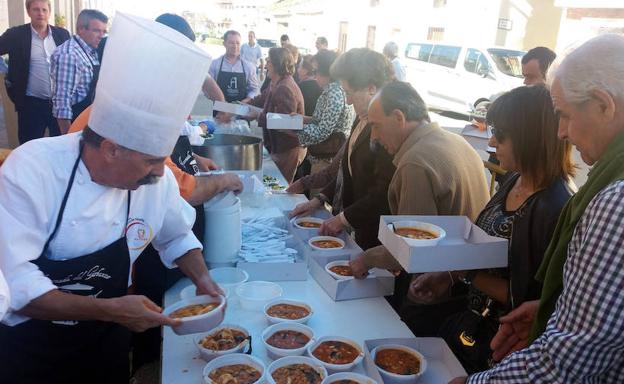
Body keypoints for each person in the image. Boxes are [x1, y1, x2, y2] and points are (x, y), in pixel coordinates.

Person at [0, 13, 221, 382]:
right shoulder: (33, 169)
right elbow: (15, 283)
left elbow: (176, 235)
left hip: (106, 345)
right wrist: (110, 309)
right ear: (111, 149)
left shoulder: (156, 180)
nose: (159, 172)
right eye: (151, 161)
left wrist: (203, 278)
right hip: (32, 348)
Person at [451, 33, 624, 384]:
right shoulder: (516, 181)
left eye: (564, 115)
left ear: (605, 104)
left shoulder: (614, 202)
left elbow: (569, 361)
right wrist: (552, 312)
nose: (560, 132)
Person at [409, 85, 575, 373]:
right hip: (470, 327)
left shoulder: (554, 207)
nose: (493, 142)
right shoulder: (514, 180)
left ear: (530, 139)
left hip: (502, 350)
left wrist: (462, 271)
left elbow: (529, 298)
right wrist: (448, 275)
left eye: (502, 135)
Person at [347, 81, 489, 334]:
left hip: (434, 288)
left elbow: (410, 248)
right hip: (463, 280)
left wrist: (366, 259)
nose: (375, 137)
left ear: (399, 117)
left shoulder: (415, 162)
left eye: (376, 126)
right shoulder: (456, 141)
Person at [290, 48, 396, 251]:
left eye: (349, 92)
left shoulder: (386, 128)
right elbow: (345, 170)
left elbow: (383, 191)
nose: (347, 100)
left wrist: (343, 219)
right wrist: (320, 198)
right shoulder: (362, 116)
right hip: (355, 228)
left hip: (373, 237)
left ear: (371, 88)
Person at [0, 0, 70, 144]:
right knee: (29, 146)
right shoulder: (16, 35)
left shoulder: (62, 35)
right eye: (36, 9)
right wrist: (7, 75)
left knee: (61, 145)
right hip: (31, 105)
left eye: (44, 10)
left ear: (49, 12)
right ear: (28, 11)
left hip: (59, 105)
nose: (40, 13)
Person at [248, 47, 305, 183]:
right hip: (278, 147)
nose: (266, 65)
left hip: (288, 149)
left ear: (276, 65)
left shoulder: (284, 87)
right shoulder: (276, 83)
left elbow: (284, 123)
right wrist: (241, 105)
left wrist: (257, 116)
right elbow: (262, 98)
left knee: (280, 186)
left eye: (269, 62)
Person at [297, 49, 355, 177]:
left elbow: (323, 131)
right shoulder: (330, 91)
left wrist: (293, 129)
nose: (314, 76)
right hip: (323, 156)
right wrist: (302, 119)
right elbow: (321, 120)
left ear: (327, 73)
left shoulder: (334, 94)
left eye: (315, 72)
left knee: (317, 194)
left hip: (326, 159)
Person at [51, 9, 107, 134]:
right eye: (97, 30)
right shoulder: (69, 55)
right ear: (81, 29)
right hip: (72, 126)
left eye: (104, 31)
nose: (101, 36)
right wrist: (67, 138)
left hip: (86, 123)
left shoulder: (90, 51)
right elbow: (62, 103)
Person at [209, 30, 259, 103]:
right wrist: (220, 101)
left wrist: (245, 101)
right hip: (220, 111)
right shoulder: (214, 64)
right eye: (231, 43)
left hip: (242, 111)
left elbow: (254, 90)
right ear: (224, 44)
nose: (235, 46)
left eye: (237, 43)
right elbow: (208, 89)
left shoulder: (249, 67)